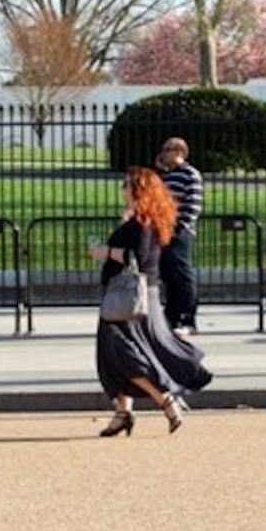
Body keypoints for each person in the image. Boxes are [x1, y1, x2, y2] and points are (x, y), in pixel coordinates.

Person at [88, 165, 212, 437]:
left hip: (130, 298)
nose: (122, 189)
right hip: (135, 296)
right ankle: (122, 412)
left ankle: (165, 400)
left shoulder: (142, 223)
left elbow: (137, 258)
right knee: (117, 354)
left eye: (127, 184)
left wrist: (104, 251)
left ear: (137, 190)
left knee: (123, 355)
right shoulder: (143, 219)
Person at [156, 136, 203, 335]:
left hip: (179, 231)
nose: (163, 154)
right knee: (168, 275)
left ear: (179, 152)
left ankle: (187, 318)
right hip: (163, 230)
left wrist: (180, 227)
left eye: (167, 150)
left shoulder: (190, 175)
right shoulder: (167, 176)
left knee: (182, 274)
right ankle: (171, 316)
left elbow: (192, 204)